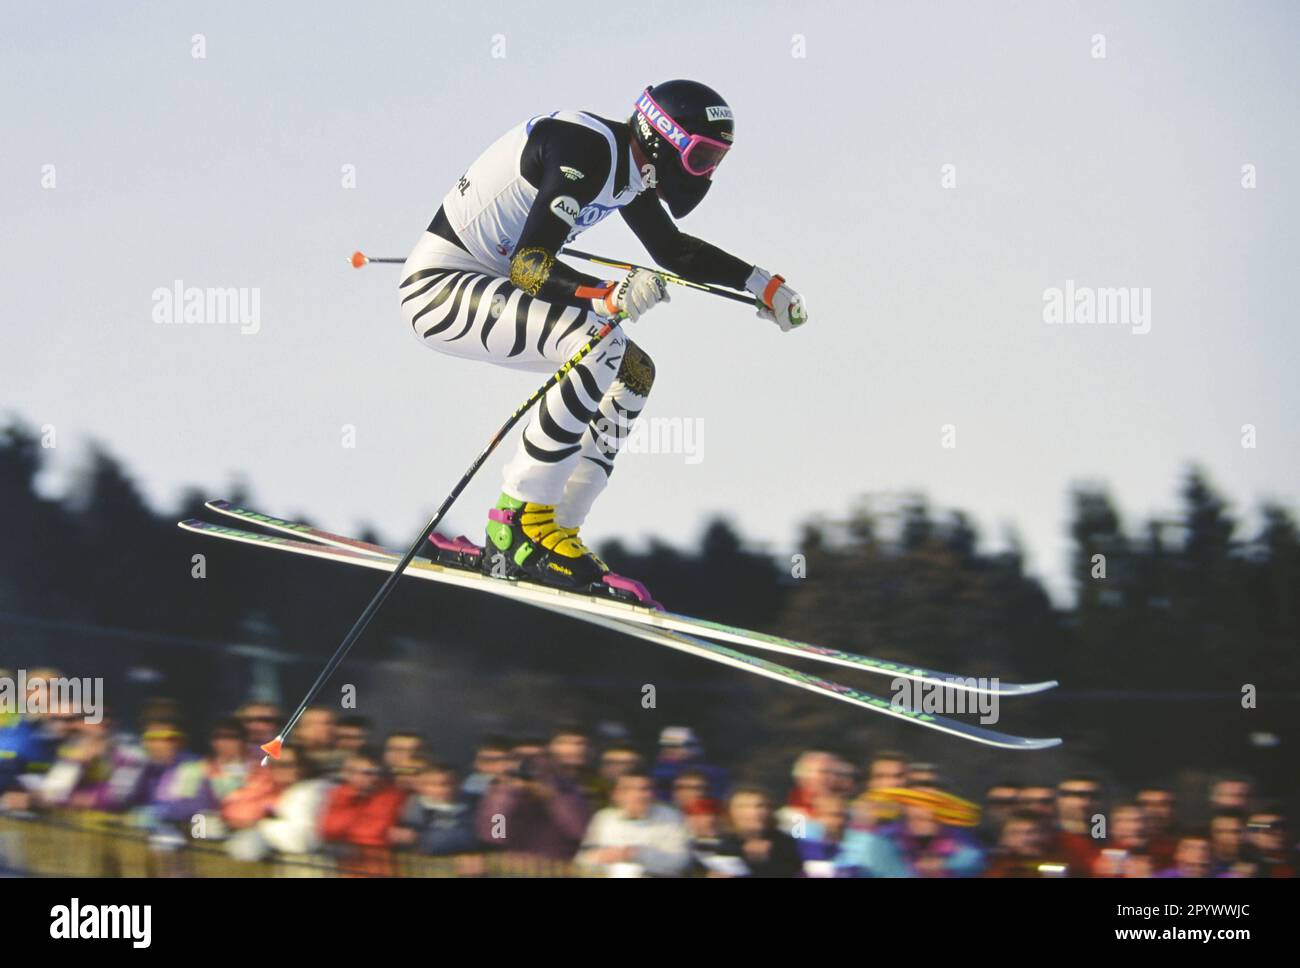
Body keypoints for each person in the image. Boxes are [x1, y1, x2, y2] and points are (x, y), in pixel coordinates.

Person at [401, 79, 808, 597]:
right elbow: (529, 266)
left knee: (635, 373)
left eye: (716, 161)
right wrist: (607, 295)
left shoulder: (628, 171)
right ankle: (517, 524)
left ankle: (556, 526)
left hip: (493, 280)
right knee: (597, 343)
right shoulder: (587, 151)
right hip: (440, 289)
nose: (706, 173)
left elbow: (674, 251)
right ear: (663, 138)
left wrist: (762, 285)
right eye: (702, 156)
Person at [576, 772, 691, 877]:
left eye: (645, 789)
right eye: (629, 789)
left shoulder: (670, 817)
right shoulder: (604, 818)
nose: (639, 795)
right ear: (616, 795)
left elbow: (680, 862)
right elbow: (581, 860)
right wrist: (600, 856)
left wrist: (636, 854)